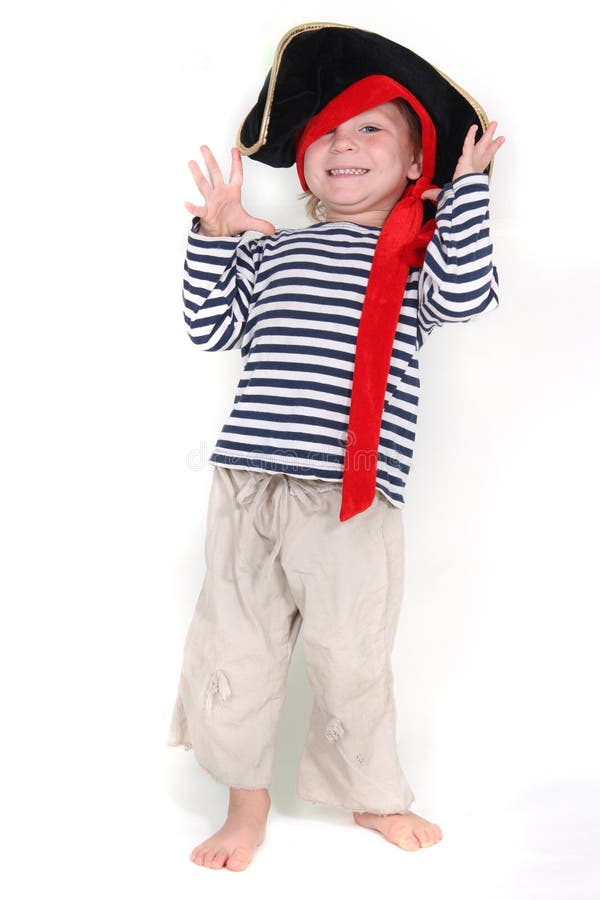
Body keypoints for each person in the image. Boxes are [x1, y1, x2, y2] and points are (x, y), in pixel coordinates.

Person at [167, 23, 505, 872]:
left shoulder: (415, 261)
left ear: (413, 161)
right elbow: (212, 327)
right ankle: (246, 806)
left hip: (349, 500)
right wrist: (214, 237)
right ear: (307, 161)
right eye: (327, 134)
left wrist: (466, 191)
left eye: (370, 131)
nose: (343, 146)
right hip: (248, 485)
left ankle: (374, 798)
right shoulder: (274, 250)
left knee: (351, 657)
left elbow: (470, 296)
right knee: (235, 648)